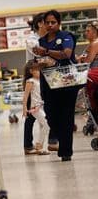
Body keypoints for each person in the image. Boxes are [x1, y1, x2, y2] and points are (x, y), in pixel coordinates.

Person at [34, 10, 78, 161]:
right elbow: (41, 61)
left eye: (53, 22)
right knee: (51, 115)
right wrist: (37, 62)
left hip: (66, 83)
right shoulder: (41, 41)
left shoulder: (66, 36)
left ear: (59, 23)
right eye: (47, 22)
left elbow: (66, 54)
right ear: (44, 24)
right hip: (48, 83)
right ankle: (63, 139)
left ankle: (66, 152)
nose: (50, 25)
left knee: (66, 116)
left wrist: (46, 51)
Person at [23, 13, 47, 154]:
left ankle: (43, 143)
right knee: (31, 115)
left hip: (43, 78)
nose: (50, 25)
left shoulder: (47, 38)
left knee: (42, 112)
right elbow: (39, 53)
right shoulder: (32, 39)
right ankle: (28, 145)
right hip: (33, 78)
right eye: (47, 22)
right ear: (39, 24)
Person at [22, 60, 50, 155]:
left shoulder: (41, 81)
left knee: (45, 125)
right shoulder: (30, 81)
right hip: (35, 108)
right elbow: (25, 96)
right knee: (47, 124)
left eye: (40, 70)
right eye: (37, 70)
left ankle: (39, 146)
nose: (40, 72)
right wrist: (24, 109)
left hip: (41, 107)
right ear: (31, 71)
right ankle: (39, 146)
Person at [78, 22, 98, 117]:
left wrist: (80, 59)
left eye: (88, 31)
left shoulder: (95, 43)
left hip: (94, 75)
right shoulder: (90, 44)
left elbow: (88, 61)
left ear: (94, 32)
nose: (85, 33)